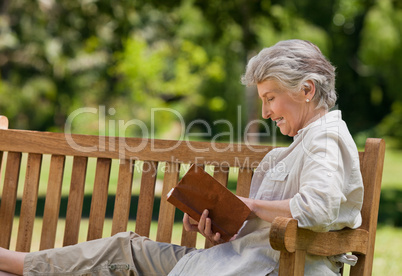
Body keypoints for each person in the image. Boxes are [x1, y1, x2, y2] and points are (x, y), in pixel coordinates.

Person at [0, 39, 363, 276]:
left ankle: (10, 263)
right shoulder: (294, 148)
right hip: (240, 262)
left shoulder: (327, 140)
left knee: (125, 252)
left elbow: (317, 208)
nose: (266, 112)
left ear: (307, 90)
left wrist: (246, 205)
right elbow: (268, 223)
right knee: (126, 247)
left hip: (269, 269)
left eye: (270, 97)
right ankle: (11, 262)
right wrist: (222, 226)